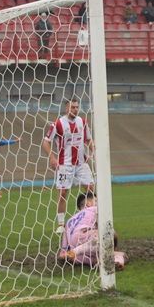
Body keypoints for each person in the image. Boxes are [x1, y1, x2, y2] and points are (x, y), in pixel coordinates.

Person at [42, 98, 95, 234]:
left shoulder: (82, 122)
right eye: (73, 107)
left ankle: (90, 218)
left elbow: (88, 139)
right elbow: (46, 142)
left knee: (90, 189)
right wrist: (52, 157)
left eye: (77, 107)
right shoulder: (58, 124)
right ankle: (61, 224)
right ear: (67, 108)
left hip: (81, 163)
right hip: (65, 165)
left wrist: (94, 151)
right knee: (63, 193)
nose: (75, 110)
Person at [58, 192, 125, 270]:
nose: (98, 204)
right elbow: (106, 229)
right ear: (88, 203)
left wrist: (63, 253)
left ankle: (113, 262)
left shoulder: (69, 221)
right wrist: (113, 242)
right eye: (96, 201)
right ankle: (76, 252)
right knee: (108, 234)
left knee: (121, 255)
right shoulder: (95, 209)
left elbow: (64, 248)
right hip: (86, 235)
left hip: (75, 244)